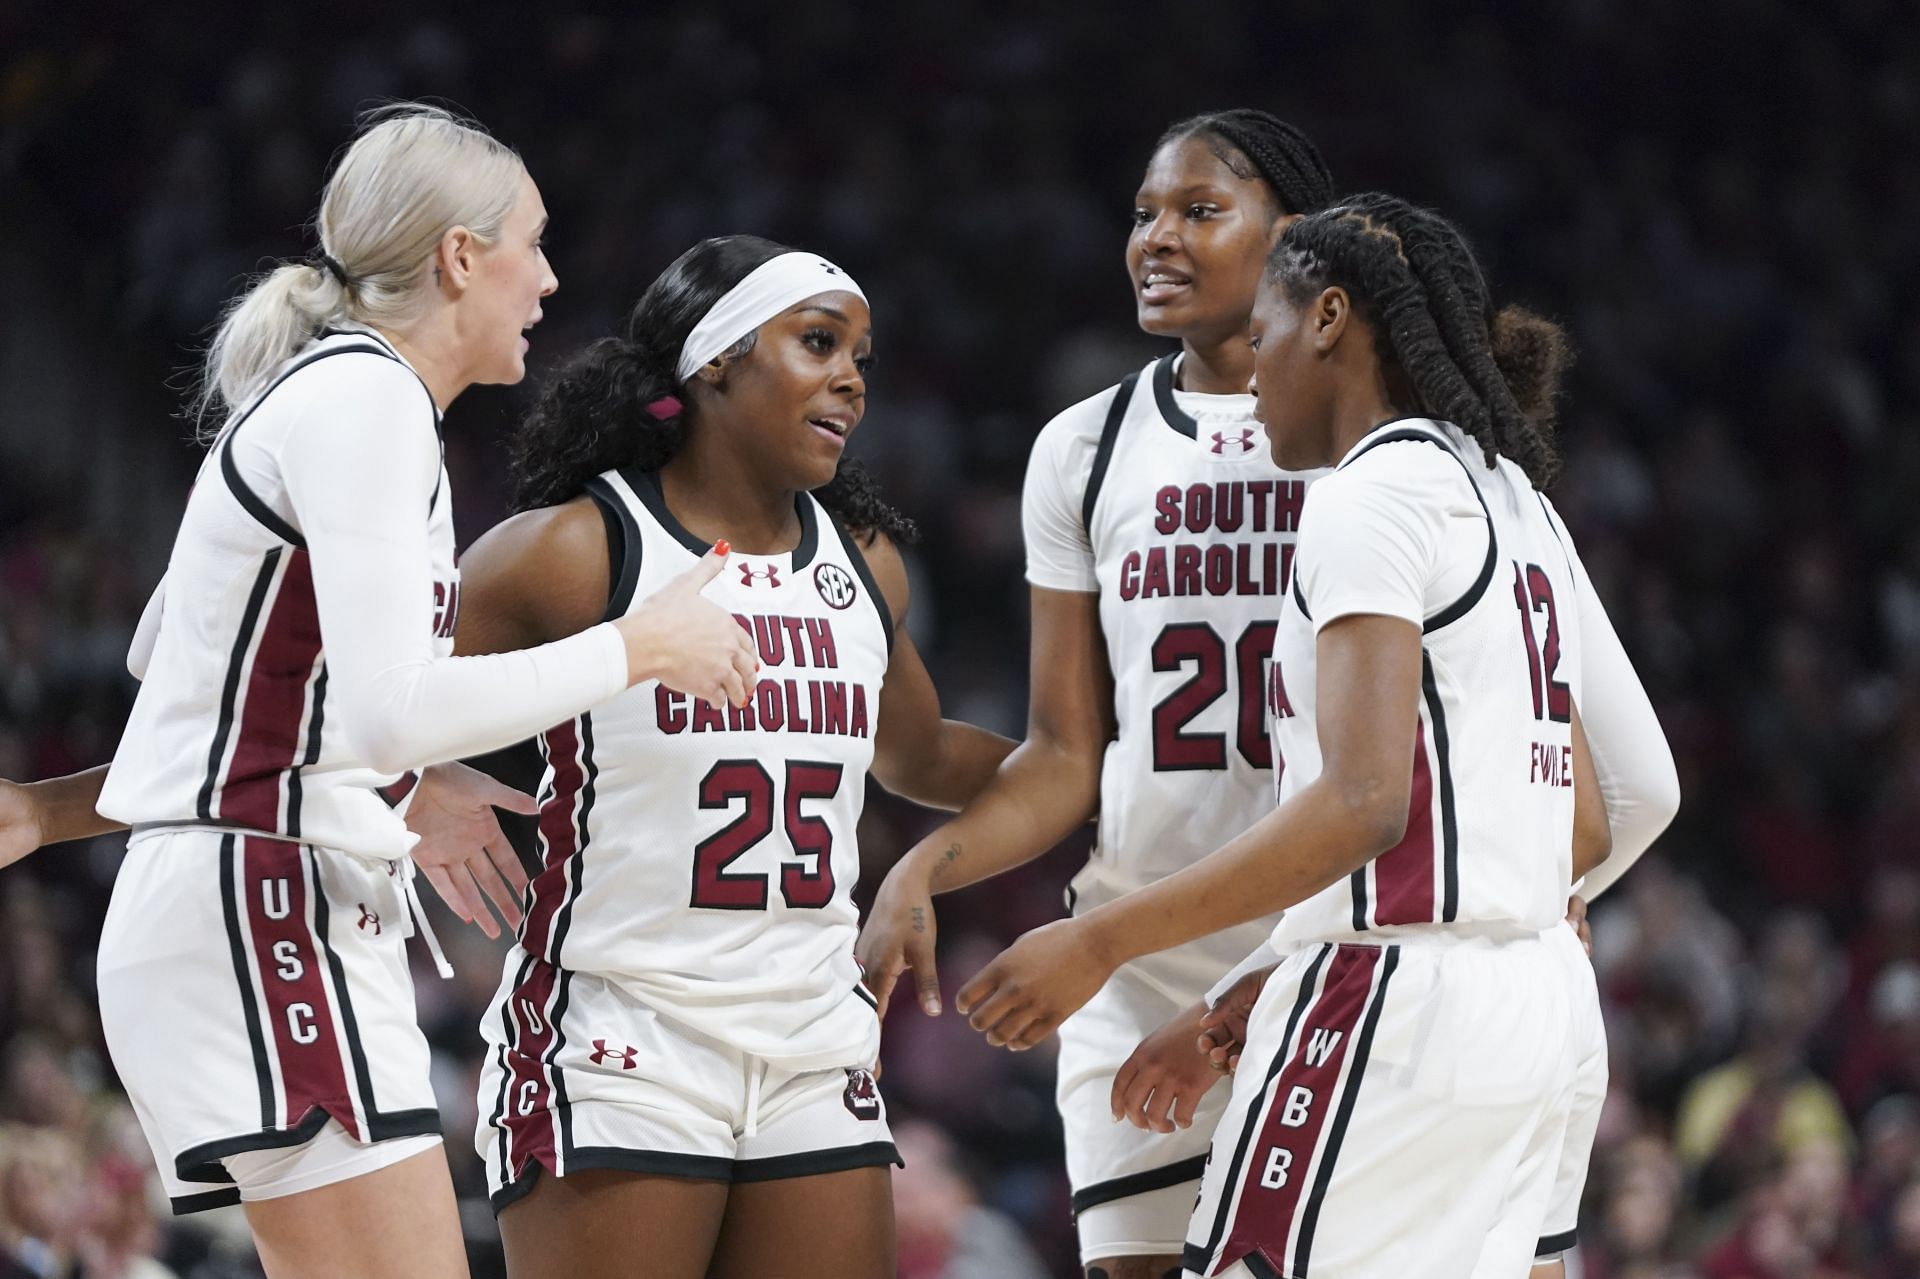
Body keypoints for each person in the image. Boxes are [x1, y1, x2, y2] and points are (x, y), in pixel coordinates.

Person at [10, 105, 756, 1279]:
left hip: (257, 903)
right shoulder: (366, 403)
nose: (550, 279)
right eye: (532, 242)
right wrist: (638, 646)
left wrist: (400, 780)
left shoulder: (334, 397)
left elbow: (200, 699)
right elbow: (379, 709)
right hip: (260, 910)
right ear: (461, 257)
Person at [953, 194, 1679, 1278]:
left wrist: (1102, 940)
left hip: (1399, 1006)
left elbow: (1361, 805)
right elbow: (1635, 795)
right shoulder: (1516, 496)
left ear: (1331, 317)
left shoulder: (1369, 498)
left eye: (1267, 333)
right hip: (1546, 1015)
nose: (1252, 373)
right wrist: (1514, 906)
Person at [451, 235, 1013, 1279]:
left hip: (811, 1035)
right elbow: (370, 690)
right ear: (714, 362)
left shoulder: (863, 561)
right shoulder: (579, 547)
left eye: (862, 356)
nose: (851, 375)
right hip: (623, 1035)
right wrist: (426, 775)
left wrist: (1100, 767)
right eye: (817, 342)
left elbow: (922, 754)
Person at [856, 108, 1336, 1278]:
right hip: (1135, 953)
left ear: (1295, 241)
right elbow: (1067, 752)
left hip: (1331, 942)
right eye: (1143, 214)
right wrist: (927, 862)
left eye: (1199, 211)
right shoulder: (1086, 444)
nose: (1156, 239)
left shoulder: (1366, 440)